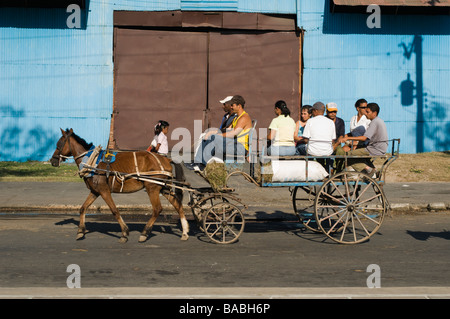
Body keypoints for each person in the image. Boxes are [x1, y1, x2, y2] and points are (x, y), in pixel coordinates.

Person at [186, 95, 252, 170]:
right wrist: (213, 132)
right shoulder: (237, 118)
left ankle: (201, 164)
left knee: (213, 140)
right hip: (234, 143)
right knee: (211, 137)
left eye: (232, 105)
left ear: (239, 106)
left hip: (240, 147)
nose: (231, 107)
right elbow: (228, 130)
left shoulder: (244, 118)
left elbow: (233, 133)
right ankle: (198, 162)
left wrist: (217, 135)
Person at [335, 102, 388, 175]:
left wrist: (347, 138)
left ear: (374, 113)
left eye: (368, 112)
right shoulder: (379, 121)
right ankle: (374, 170)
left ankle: (369, 170)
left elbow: (364, 138)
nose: (366, 113)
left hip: (374, 149)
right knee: (358, 157)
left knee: (347, 156)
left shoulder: (374, 122)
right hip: (378, 148)